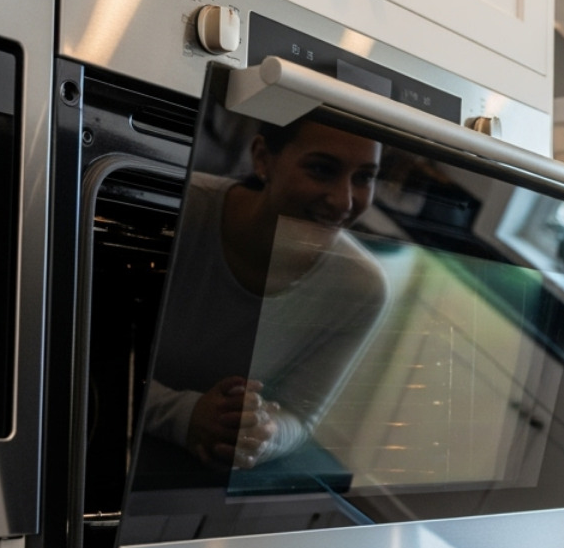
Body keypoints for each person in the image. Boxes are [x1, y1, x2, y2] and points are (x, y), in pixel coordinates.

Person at [141, 118, 389, 473]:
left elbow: (300, 417)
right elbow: (75, 356)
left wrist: (263, 432)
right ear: (262, 158)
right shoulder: (181, 209)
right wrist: (184, 415)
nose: (343, 201)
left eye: (364, 177)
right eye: (321, 169)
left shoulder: (362, 288)